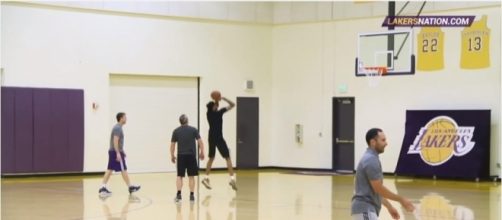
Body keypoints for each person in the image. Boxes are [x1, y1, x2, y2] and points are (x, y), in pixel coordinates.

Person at [351, 128, 415, 220]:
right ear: (373, 142)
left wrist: (389, 206)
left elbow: (374, 192)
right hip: (364, 210)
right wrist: (401, 199)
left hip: (367, 211)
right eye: (383, 140)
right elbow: (378, 189)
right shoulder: (370, 159)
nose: (386, 143)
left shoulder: (371, 158)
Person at [99, 112, 141, 196]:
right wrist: (118, 153)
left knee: (115, 168)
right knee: (120, 169)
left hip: (115, 151)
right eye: (125, 117)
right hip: (115, 152)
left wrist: (122, 151)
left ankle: (103, 187)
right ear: (121, 118)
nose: (126, 119)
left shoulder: (118, 127)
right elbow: (115, 140)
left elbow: (117, 142)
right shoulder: (118, 128)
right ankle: (103, 188)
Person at [201, 95, 237, 191]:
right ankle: (232, 179)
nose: (217, 106)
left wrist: (216, 100)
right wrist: (223, 98)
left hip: (211, 137)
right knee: (227, 157)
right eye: (216, 106)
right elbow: (233, 104)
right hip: (219, 138)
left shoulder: (208, 114)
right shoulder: (219, 113)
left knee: (211, 158)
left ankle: (205, 178)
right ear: (214, 107)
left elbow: (213, 106)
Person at [171, 114, 205, 203]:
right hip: (191, 156)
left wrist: (172, 155)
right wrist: (202, 152)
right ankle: (192, 196)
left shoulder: (176, 131)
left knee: (179, 176)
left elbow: (172, 145)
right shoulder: (193, 130)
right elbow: (200, 142)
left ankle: (178, 195)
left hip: (181, 156)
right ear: (187, 121)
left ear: (180, 122)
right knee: (191, 176)